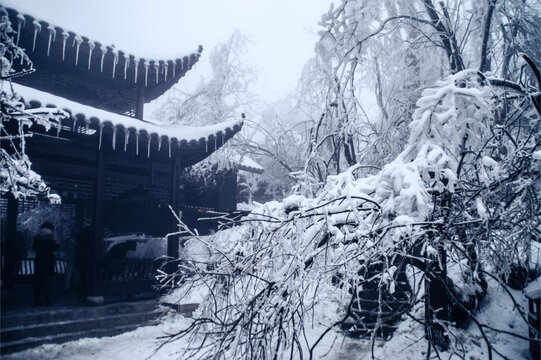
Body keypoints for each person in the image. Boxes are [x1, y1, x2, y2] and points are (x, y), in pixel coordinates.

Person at [33, 222, 59, 306]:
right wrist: (55, 239)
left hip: (39, 260)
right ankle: (47, 299)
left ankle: (37, 299)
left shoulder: (36, 238)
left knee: (38, 280)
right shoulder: (51, 238)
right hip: (48, 261)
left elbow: (34, 248)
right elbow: (56, 247)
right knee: (48, 281)